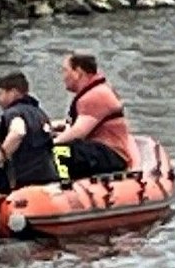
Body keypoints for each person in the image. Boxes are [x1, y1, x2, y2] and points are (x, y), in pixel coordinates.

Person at [50, 52, 139, 182]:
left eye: (65, 71)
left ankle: (63, 184)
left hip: (109, 155)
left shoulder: (95, 96)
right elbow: (77, 123)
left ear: (78, 72)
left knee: (58, 151)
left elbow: (78, 132)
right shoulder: (97, 91)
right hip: (103, 152)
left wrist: (50, 143)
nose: (63, 77)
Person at [0, 71, 58, 190]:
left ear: (13, 93)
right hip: (48, 177)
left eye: (0, 93)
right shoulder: (40, 113)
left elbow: (18, 132)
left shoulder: (14, 112)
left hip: (25, 181)